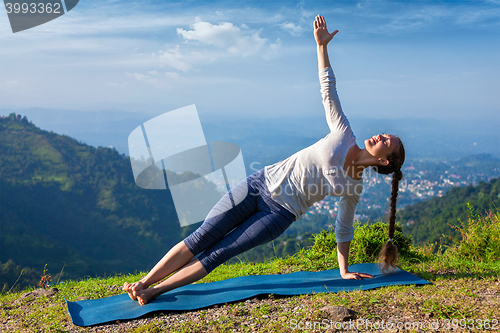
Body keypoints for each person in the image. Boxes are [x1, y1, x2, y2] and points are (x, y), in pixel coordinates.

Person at [124, 15, 405, 306]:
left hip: (278, 215)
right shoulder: (344, 133)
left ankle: (153, 292)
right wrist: (321, 47)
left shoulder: (352, 187)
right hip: (258, 185)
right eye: (384, 134)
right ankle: (143, 282)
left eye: (387, 142)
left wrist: (343, 270)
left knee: (220, 252)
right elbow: (328, 90)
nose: (380, 137)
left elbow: (344, 226)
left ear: (384, 161)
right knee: (201, 237)